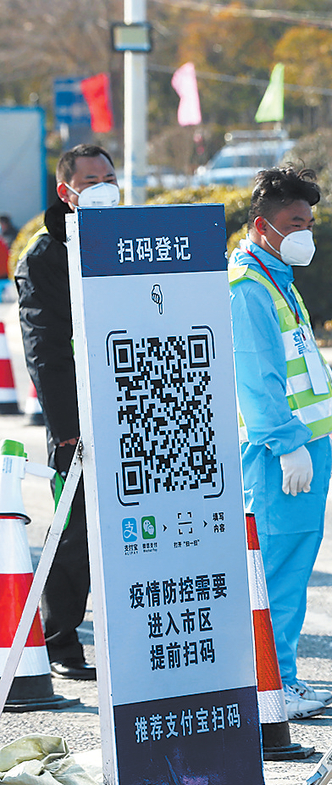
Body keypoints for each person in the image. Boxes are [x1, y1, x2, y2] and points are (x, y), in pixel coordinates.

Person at [228, 166, 332, 721]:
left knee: (287, 574)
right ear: (262, 225)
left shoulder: (275, 279)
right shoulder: (249, 289)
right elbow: (258, 379)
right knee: (275, 574)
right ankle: (271, 686)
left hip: (301, 447)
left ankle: (279, 679)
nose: (305, 232)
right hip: (280, 454)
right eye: (293, 222)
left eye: (309, 221)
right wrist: (286, 444)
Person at [13, 144, 123, 681]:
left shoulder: (128, 243)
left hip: (131, 408)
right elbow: (46, 351)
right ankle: (61, 644)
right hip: (77, 419)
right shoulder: (43, 257)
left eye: (110, 176)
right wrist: (65, 430)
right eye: (92, 179)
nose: (104, 186)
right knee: (73, 530)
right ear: (66, 191)